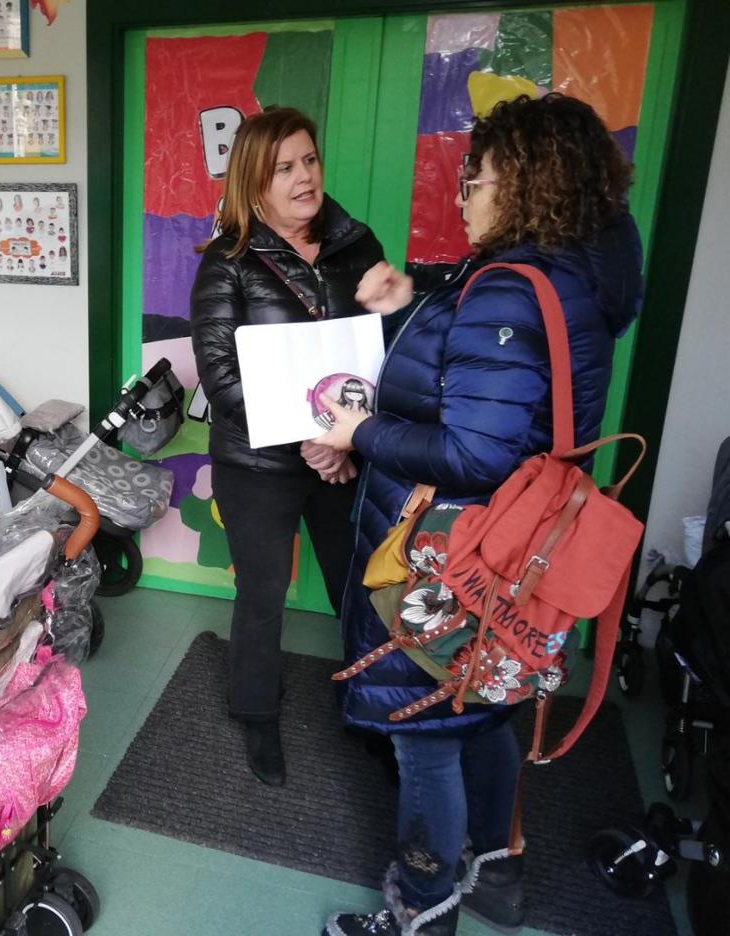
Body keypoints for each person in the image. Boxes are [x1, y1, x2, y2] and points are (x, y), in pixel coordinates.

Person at [314, 94, 642, 936]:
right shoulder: (571, 274)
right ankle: (498, 873)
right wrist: (412, 295)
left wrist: (360, 433)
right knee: (484, 710)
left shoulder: (509, 291)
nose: (463, 194)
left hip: (458, 556)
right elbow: (492, 367)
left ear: (528, 185)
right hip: (518, 552)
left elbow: (475, 452)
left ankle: (421, 912)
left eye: (478, 178)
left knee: (425, 738)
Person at [189, 106, 384, 786]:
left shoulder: (357, 245)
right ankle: (257, 714)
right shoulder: (228, 261)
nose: (304, 177)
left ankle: (374, 709)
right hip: (256, 464)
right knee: (262, 593)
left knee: (359, 589)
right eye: (283, 168)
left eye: (309, 160)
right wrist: (312, 436)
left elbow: (383, 350)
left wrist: (349, 438)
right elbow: (221, 376)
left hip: (345, 457)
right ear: (254, 181)